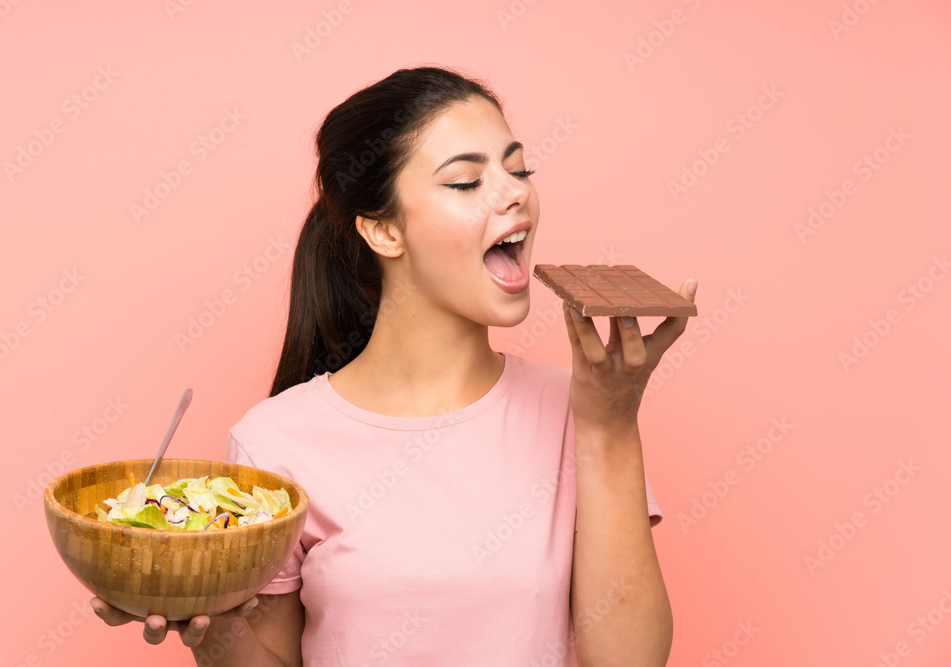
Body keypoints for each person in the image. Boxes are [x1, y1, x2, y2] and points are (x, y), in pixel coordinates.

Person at [92, 64, 697, 666]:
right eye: (465, 182)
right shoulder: (274, 444)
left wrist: (610, 424)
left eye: (519, 170)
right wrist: (209, 620)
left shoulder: (580, 411)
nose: (514, 192)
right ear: (383, 231)